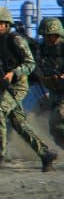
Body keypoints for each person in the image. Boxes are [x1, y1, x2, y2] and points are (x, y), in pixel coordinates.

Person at [0, 6, 57, 172]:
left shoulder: (15, 40)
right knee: (19, 124)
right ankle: (45, 153)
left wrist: (14, 73)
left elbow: (30, 63)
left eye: (1, 23)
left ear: (7, 24)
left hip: (18, 85)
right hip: (0, 84)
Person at [37, 17, 64, 149]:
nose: (48, 39)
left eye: (51, 36)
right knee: (54, 129)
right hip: (54, 91)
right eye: (45, 36)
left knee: (58, 117)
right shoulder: (42, 49)